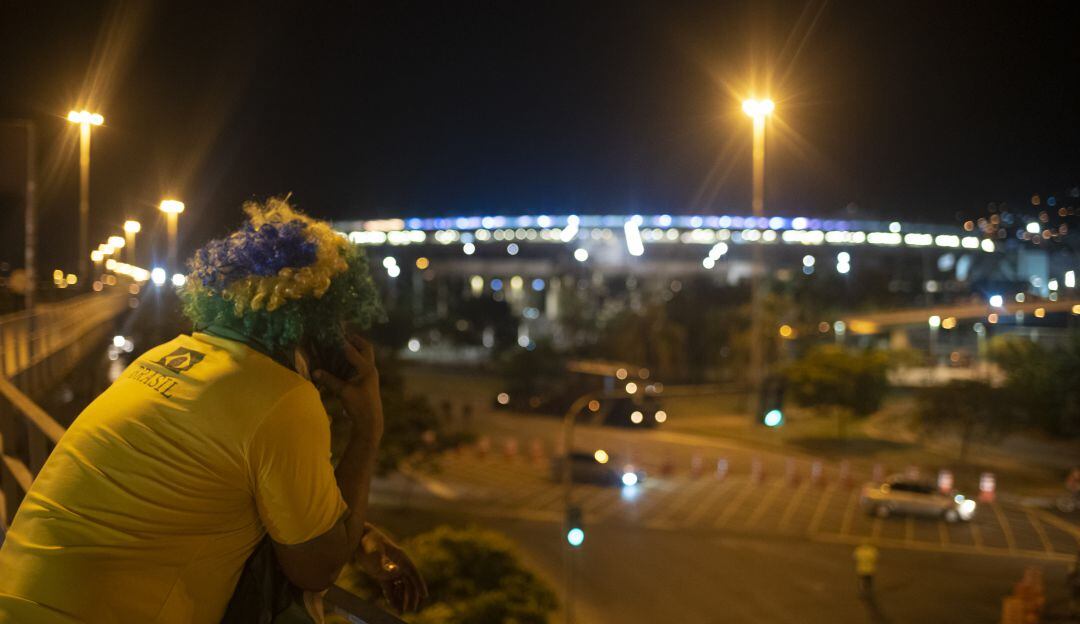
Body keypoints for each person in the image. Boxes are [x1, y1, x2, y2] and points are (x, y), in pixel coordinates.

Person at [0, 198, 425, 623]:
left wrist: (360, 535)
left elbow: (195, 484)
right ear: (318, 322)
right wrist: (368, 428)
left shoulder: (164, 355)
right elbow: (317, 568)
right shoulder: (283, 397)